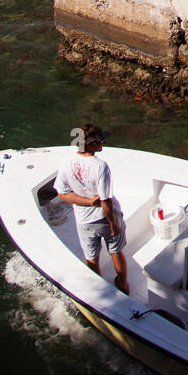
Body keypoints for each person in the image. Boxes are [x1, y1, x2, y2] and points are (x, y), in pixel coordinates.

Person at [55, 124, 129, 295]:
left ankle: (102, 292)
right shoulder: (100, 166)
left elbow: (62, 194)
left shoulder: (67, 162)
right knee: (116, 252)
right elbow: (106, 201)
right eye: (100, 141)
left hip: (84, 222)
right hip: (106, 218)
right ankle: (123, 286)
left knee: (92, 258)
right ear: (89, 144)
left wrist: (87, 202)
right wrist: (113, 223)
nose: (103, 143)